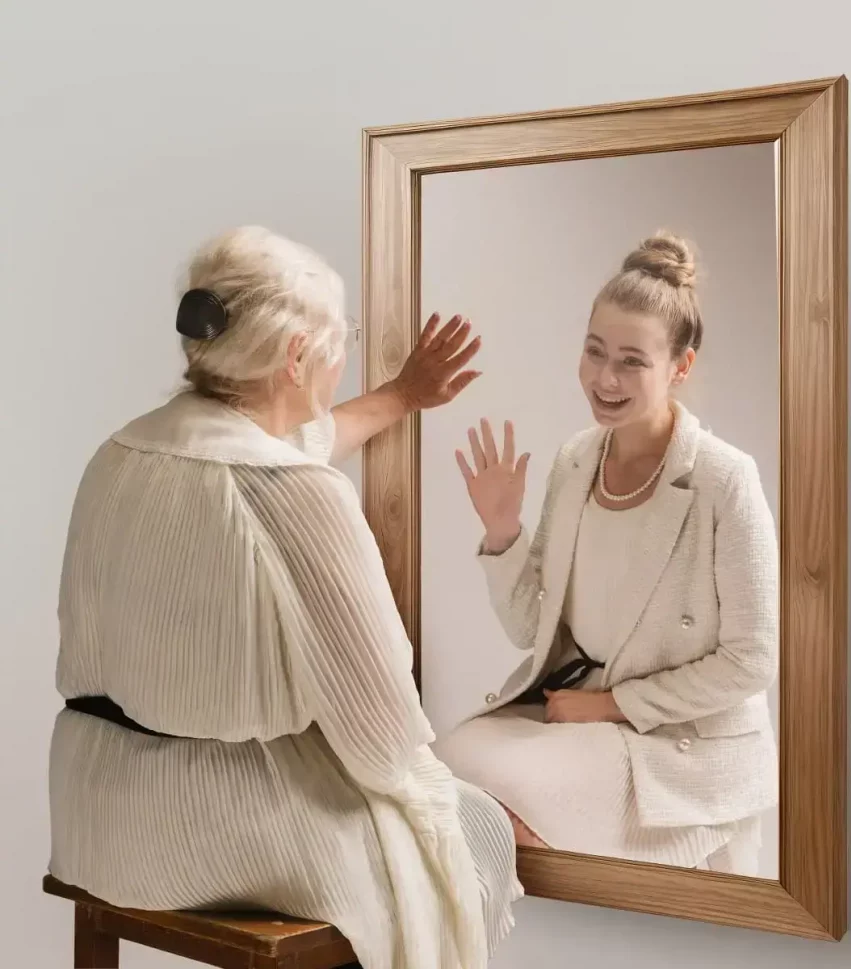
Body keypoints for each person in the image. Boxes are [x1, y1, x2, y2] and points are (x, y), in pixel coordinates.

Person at [48, 226, 522, 969]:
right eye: (342, 341)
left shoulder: (122, 452)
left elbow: (277, 455)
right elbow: (382, 731)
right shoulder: (299, 493)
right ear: (298, 357)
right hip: (213, 830)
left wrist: (401, 395)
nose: (344, 358)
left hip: (96, 807)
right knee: (475, 829)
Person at [437, 231, 779, 875]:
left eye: (631, 361)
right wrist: (503, 531)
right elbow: (529, 632)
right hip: (580, 714)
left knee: (495, 790)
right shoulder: (576, 458)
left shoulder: (723, 478)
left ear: (681, 367)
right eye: (594, 352)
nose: (604, 378)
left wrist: (611, 706)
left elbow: (752, 660)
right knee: (443, 762)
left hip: (676, 735)